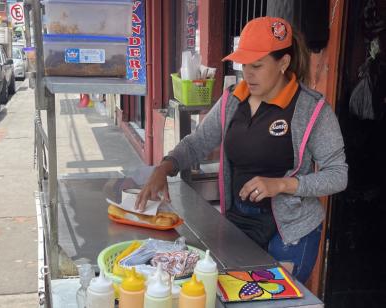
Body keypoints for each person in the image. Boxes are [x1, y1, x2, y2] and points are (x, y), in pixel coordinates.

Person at [135, 17, 348, 283]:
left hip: (291, 233)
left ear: (283, 63)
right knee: (235, 293)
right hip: (238, 223)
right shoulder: (233, 99)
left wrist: (282, 185)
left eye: (257, 66)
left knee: (274, 301)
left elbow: (338, 175)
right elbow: (198, 141)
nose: (248, 74)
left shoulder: (312, 110)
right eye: (245, 65)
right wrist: (165, 166)